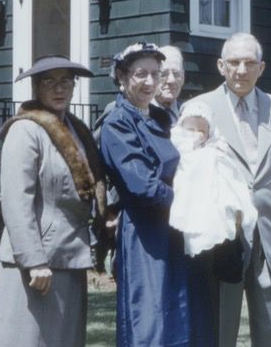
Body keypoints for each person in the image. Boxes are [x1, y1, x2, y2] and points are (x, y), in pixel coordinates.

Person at [98, 42, 213, 347]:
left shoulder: (161, 120)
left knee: (182, 319)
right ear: (122, 78)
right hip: (146, 237)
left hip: (175, 231)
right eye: (140, 74)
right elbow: (142, 186)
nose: (150, 82)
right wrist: (191, 204)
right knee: (150, 322)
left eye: (155, 74)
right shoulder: (117, 123)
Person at [187, 32, 271, 347]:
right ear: (221, 65)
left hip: (268, 234)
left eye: (249, 63)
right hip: (224, 237)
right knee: (221, 328)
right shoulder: (200, 108)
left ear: (261, 68)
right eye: (233, 62)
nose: (241, 70)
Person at [0, 55, 105, 347]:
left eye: (66, 81)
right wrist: (34, 260)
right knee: (26, 340)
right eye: (49, 81)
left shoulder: (76, 130)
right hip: (38, 263)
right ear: (36, 87)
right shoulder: (25, 130)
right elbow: (17, 202)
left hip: (69, 256)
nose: (59, 89)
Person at [168, 102, 258, 282]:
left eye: (202, 130)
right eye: (190, 129)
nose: (197, 134)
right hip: (188, 207)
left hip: (216, 207)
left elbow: (232, 175)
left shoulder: (217, 147)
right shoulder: (176, 143)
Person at [155, 45, 186, 123]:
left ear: (183, 77)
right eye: (164, 74)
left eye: (176, 74)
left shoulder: (189, 113)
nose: (171, 80)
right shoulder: (140, 114)